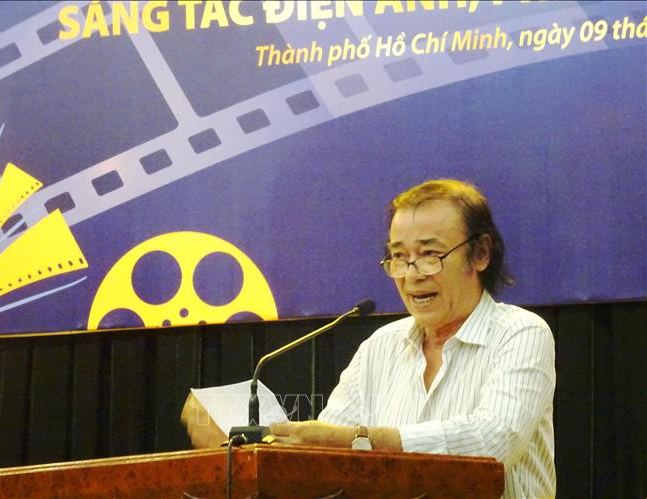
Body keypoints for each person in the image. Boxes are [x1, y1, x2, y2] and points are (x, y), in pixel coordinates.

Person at [182, 179, 556, 498]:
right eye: (399, 257)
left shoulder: (520, 333)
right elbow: (326, 461)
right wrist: (250, 445)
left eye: (430, 255)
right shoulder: (380, 347)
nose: (412, 275)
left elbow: (493, 442)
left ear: (480, 254)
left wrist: (360, 439)